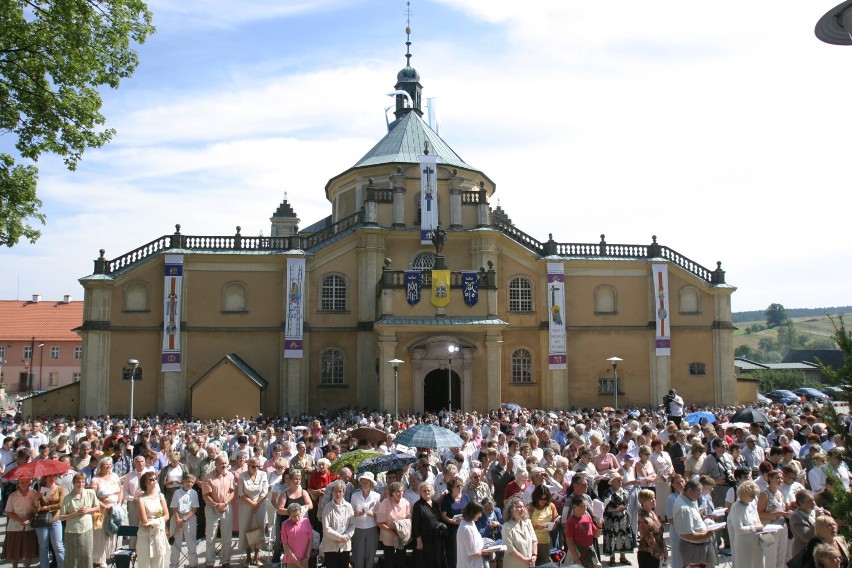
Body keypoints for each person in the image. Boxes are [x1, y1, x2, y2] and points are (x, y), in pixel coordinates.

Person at [272, 469, 313, 566]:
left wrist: (300, 511)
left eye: (299, 479)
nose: (298, 481)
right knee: (282, 543)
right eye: (295, 479)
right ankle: (279, 559)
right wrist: (292, 512)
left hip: (301, 524)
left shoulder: (304, 492)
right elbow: (280, 509)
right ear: (290, 480)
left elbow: (310, 505)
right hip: (287, 524)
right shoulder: (285, 493)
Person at [673, 478, 717, 568]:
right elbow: (686, 535)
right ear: (689, 490)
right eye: (698, 493)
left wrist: (707, 521)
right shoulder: (684, 509)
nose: (699, 496)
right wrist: (707, 534)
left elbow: (696, 518)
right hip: (694, 548)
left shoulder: (691, 499)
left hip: (703, 544)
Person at [202, 454, 236, 568]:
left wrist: (224, 503)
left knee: (227, 537)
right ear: (215, 464)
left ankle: (225, 561)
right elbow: (206, 496)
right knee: (211, 538)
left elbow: (232, 492)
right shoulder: (208, 477)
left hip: (226, 508)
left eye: (225, 463)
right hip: (212, 509)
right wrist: (217, 505)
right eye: (221, 463)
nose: (224, 465)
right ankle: (210, 563)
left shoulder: (230, 475)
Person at [60, 473, 100, 568]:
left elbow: (97, 507)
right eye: (78, 482)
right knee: (71, 557)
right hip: (72, 530)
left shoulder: (90, 493)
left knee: (86, 555)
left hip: (87, 529)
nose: (80, 484)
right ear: (73, 483)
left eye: (83, 482)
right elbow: (62, 517)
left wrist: (88, 510)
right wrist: (76, 513)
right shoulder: (68, 498)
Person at [90, 457, 123, 568]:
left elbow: (120, 491)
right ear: (100, 466)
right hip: (100, 512)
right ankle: (99, 559)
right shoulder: (95, 479)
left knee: (113, 532)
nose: (107, 466)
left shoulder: (115, 476)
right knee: (99, 534)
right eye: (105, 464)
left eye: (109, 464)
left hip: (115, 509)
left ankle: (112, 554)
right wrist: (105, 506)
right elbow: (93, 497)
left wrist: (118, 503)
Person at [237, 457, 269, 566]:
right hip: (246, 507)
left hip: (260, 506)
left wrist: (257, 505)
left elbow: (264, 492)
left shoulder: (263, 475)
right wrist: (252, 504)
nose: (256, 468)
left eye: (258, 466)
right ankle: (248, 556)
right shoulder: (242, 476)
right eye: (253, 466)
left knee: (259, 529)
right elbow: (241, 493)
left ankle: (256, 556)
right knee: (246, 529)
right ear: (249, 466)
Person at [2, 475, 39, 568]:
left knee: (29, 550)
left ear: (30, 483)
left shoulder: (34, 493)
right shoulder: (13, 495)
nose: (24, 484)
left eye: (26, 482)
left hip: (29, 525)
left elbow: (37, 510)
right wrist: (20, 520)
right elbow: (8, 512)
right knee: (15, 550)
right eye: (22, 482)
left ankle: (27, 566)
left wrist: (37, 500)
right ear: (18, 484)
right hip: (15, 526)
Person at [726, 480, 764, 568]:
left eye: (755, 495)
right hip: (744, 544)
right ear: (744, 494)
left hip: (756, 542)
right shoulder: (736, 507)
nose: (754, 498)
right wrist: (755, 527)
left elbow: (758, 522)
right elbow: (739, 529)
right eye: (752, 496)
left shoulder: (752, 505)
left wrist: (762, 528)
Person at [757, 469, 790, 568]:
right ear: (770, 479)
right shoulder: (764, 494)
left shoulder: (781, 493)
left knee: (781, 555)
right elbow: (758, 514)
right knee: (769, 557)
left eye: (781, 478)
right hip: (768, 529)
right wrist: (776, 514)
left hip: (782, 527)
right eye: (777, 478)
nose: (780, 480)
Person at [136, 471, 169, 568]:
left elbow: (166, 515)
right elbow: (144, 521)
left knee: (159, 562)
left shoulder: (160, 496)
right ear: (145, 483)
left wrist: (157, 522)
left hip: (159, 531)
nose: (154, 481)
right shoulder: (141, 499)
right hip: (145, 534)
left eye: (155, 479)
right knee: (144, 563)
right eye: (151, 480)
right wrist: (154, 522)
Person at [376, 481, 412, 568]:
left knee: (401, 560)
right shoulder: (385, 503)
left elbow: (409, 519)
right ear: (392, 493)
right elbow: (380, 523)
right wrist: (393, 532)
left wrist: (401, 532)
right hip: (388, 536)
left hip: (401, 536)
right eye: (397, 491)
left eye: (401, 491)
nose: (400, 493)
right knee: (389, 561)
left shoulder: (406, 503)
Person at [319, 480, 355, 568]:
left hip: (345, 546)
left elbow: (352, 525)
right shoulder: (327, 507)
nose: (338, 494)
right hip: (331, 546)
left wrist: (345, 537)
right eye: (335, 491)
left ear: (344, 492)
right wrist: (339, 537)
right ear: (332, 492)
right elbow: (326, 528)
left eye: (340, 491)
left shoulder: (348, 507)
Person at [411, 482, 447, 568]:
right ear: (420, 492)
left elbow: (438, 519)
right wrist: (419, 541)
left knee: (437, 561)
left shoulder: (435, 504)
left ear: (432, 491)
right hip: (425, 539)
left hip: (437, 538)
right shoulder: (418, 505)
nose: (427, 492)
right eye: (424, 491)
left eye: (429, 490)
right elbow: (415, 524)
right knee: (427, 562)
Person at [602, 474, 633, 566]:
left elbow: (627, 503)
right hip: (611, 519)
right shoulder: (608, 492)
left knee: (623, 536)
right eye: (618, 480)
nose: (620, 482)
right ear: (612, 482)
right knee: (612, 537)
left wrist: (623, 508)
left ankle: (622, 557)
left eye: (620, 480)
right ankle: (612, 558)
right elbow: (604, 506)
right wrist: (615, 509)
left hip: (622, 519)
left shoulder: (624, 491)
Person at [351, 472, 381, 568]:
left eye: (366, 482)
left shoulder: (377, 496)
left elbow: (380, 514)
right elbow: (350, 512)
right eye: (362, 482)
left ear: (371, 484)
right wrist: (356, 513)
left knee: (370, 556)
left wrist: (373, 514)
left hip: (371, 528)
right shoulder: (354, 496)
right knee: (358, 556)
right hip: (358, 528)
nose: (364, 484)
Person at [169, 473, 199, 568]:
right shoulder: (177, 493)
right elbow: (174, 507)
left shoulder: (194, 493)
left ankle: (193, 564)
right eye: (188, 482)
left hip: (189, 517)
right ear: (183, 482)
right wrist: (178, 520)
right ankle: (174, 564)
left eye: (192, 482)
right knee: (175, 544)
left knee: (191, 543)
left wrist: (184, 520)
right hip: (177, 516)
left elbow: (194, 509)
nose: (189, 484)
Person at [442, 477, 471, 568]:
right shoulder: (447, 498)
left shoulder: (466, 496)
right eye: (458, 486)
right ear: (451, 488)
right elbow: (443, 515)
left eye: (461, 485)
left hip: (466, 527)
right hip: (453, 530)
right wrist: (453, 521)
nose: (460, 487)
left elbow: (471, 511)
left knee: (467, 552)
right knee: (455, 555)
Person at [564, 494, 601, 568]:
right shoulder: (571, 522)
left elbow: (596, 535)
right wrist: (576, 558)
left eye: (586, 506)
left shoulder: (588, 517)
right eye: (582, 506)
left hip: (590, 551)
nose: (585, 508)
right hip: (577, 552)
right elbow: (569, 541)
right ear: (575, 507)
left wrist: (599, 526)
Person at [503, 495, 537, 568]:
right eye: (519, 507)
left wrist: (534, 555)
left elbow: (534, 540)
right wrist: (524, 560)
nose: (522, 509)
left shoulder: (528, 522)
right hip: (514, 565)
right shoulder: (506, 526)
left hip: (530, 564)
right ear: (512, 510)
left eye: (523, 506)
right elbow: (510, 549)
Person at [528, 485, 558, 566]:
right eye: (541, 498)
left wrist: (554, 525)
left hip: (546, 541)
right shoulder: (530, 507)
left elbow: (555, 520)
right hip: (532, 541)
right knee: (533, 563)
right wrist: (535, 527)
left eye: (545, 499)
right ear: (536, 497)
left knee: (545, 563)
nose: (543, 501)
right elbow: (524, 525)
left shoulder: (551, 506)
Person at [636, 490, 666, 568]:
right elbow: (650, 539)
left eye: (654, 498)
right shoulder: (643, 518)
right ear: (643, 501)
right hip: (648, 554)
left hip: (656, 552)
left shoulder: (652, 513)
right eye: (651, 499)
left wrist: (664, 549)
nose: (654, 500)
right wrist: (660, 552)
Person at [456, 501, 489, 568]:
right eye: (478, 513)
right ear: (472, 513)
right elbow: (473, 553)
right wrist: (487, 551)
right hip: (470, 565)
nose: (480, 515)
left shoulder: (470, 523)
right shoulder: (466, 528)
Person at [280, 503, 312, 568]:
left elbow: (310, 540)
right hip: (291, 560)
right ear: (289, 515)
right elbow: (285, 545)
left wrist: (306, 557)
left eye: (298, 515)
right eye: (294, 516)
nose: (297, 518)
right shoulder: (285, 524)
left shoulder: (306, 521)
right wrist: (296, 561)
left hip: (304, 559)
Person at [790, 490, 818, 559]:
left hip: (817, 552)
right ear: (800, 503)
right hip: (804, 554)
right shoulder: (796, 516)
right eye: (809, 501)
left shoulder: (814, 512)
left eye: (813, 500)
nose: (813, 503)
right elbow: (806, 537)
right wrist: (817, 520)